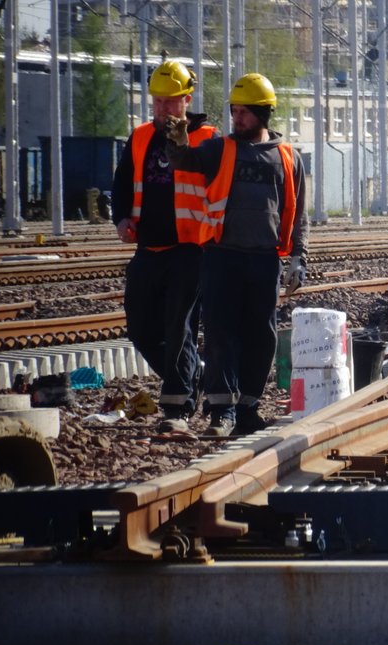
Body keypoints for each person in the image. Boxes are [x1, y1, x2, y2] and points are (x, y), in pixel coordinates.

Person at [166, 73, 308, 438]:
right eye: (234, 111)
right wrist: (178, 140)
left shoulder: (287, 157)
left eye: (244, 112)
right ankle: (221, 412)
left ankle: (246, 407)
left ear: (264, 114)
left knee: (263, 337)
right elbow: (185, 161)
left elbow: (299, 213)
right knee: (221, 335)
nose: (237, 118)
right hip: (221, 255)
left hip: (264, 260)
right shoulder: (220, 148)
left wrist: (298, 258)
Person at [111, 60, 219, 435]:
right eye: (157, 102)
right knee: (141, 329)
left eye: (170, 102)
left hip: (190, 249)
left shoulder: (208, 139)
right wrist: (122, 218)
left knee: (179, 329)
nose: (162, 109)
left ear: (187, 100)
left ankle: (178, 408)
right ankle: (195, 375)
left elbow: (218, 191)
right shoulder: (140, 137)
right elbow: (122, 183)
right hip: (148, 249)